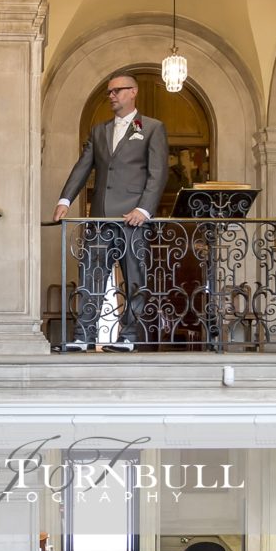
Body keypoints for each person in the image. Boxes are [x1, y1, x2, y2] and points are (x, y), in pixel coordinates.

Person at [53, 72, 168, 352]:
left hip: (133, 220)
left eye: (117, 90)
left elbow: (158, 173)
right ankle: (84, 336)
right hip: (101, 218)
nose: (111, 96)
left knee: (135, 279)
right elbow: (83, 167)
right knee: (91, 277)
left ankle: (129, 337)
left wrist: (144, 209)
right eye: (109, 92)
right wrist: (65, 200)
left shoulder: (152, 128)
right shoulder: (99, 131)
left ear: (133, 92)